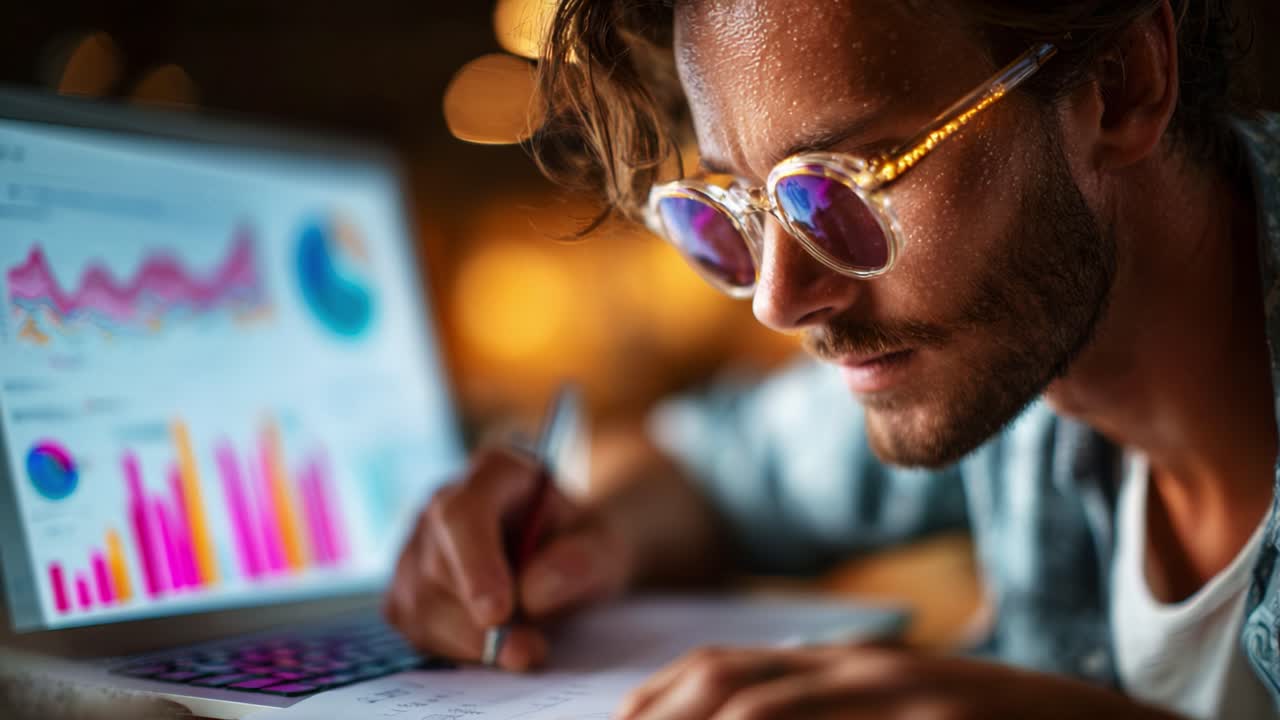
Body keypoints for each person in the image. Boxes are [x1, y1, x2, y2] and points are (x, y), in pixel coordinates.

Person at [386, 0, 1280, 717]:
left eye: (847, 181)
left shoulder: (997, 322)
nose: (777, 299)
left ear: (1121, 86)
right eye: (735, 209)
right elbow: (712, 464)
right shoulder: (1021, 357)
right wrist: (573, 542)